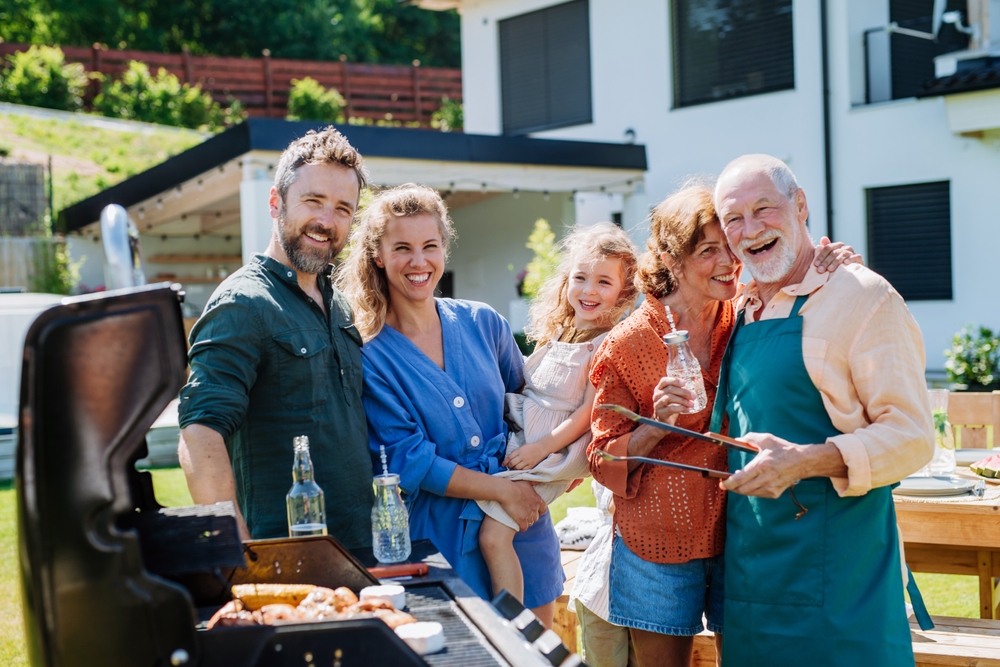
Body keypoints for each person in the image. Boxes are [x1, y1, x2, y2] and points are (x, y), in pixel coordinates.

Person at [588, 183, 858, 667]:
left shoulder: (747, 314)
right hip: (658, 547)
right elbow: (601, 457)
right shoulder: (626, 346)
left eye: (728, 247)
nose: (729, 261)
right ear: (670, 258)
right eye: (708, 251)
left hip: (744, 536)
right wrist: (655, 424)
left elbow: (804, 283)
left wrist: (835, 264)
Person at [707, 154, 934, 666]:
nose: (750, 230)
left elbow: (913, 435)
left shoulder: (864, 297)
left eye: (764, 209)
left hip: (840, 570)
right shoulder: (738, 307)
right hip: (752, 572)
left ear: (801, 205)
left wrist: (805, 462)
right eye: (733, 219)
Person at [336, 183, 564, 626]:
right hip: (442, 538)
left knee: (539, 653)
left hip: (520, 524)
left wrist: (558, 465)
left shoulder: (484, 322)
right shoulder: (369, 354)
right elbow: (409, 460)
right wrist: (502, 491)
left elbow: (528, 407)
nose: (418, 262)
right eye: (402, 248)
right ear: (378, 255)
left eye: (430, 246)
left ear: (444, 248)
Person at [176, 127, 373, 547]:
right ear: (275, 202)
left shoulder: (338, 304)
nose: (326, 221)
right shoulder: (242, 303)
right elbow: (200, 432)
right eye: (313, 201)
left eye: (343, 209)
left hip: (360, 546)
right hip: (285, 556)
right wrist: (240, 555)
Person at [477, 223, 639, 603]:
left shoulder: (605, 343)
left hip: (550, 452)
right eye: (580, 278)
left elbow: (586, 413)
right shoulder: (563, 333)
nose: (588, 290)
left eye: (603, 282)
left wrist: (541, 450)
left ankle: (511, 628)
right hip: (530, 443)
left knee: (493, 535)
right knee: (490, 528)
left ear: (623, 292)